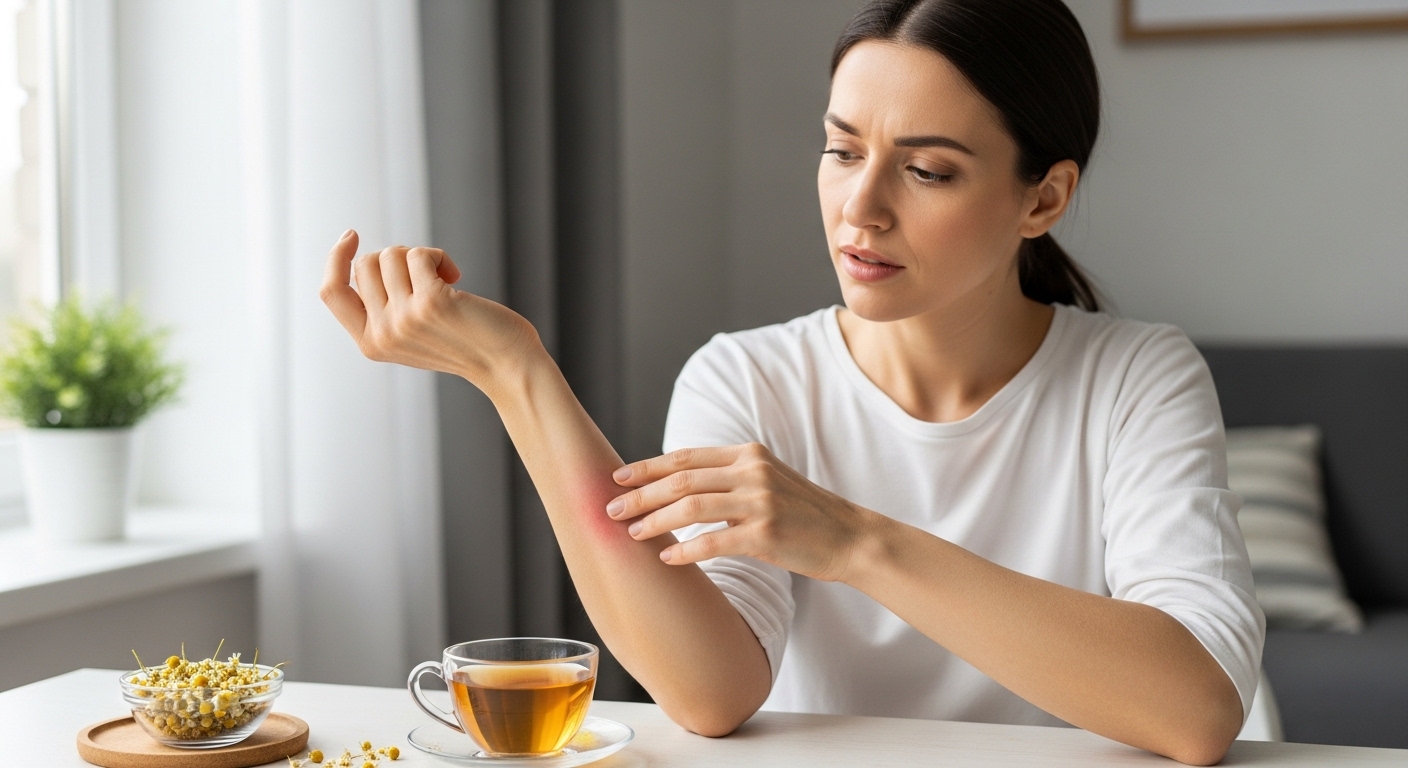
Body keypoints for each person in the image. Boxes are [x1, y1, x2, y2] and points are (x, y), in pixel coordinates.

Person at [320, 0, 1263, 763]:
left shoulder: (1138, 376)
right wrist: (515, 373)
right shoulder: (750, 377)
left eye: (927, 170)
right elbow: (708, 693)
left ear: (1043, 198)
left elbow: (1195, 710)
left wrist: (853, 540)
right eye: (843, 150)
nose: (862, 207)